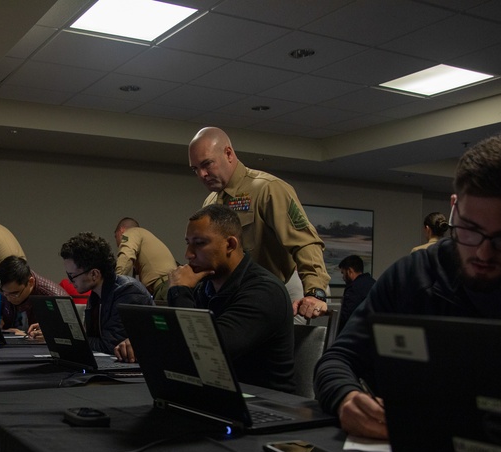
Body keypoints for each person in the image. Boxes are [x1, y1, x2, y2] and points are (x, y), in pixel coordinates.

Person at [315, 131, 501, 440]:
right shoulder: (413, 276)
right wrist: (347, 398)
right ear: (454, 207)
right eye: (470, 229)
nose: (482, 253)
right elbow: (337, 359)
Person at [115, 204, 294, 392]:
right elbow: (179, 341)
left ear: (230, 245)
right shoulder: (205, 287)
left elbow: (207, 351)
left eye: (199, 243)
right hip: (214, 393)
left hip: (262, 401)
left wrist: (180, 290)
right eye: (188, 243)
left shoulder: (264, 291)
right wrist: (147, 343)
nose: (188, 254)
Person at [188, 126, 331, 320]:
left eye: (207, 164)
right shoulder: (210, 202)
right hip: (239, 297)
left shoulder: (267, 189)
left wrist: (315, 292)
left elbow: (305, 242)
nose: (202, 175)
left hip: (280, 290)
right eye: (196, 169)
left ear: (228, 154)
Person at [28, 231, 152, 354]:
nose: (70, 282)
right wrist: (55, 330)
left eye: (72, 276)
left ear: (94, 274)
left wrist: (62, 337)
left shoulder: (128, 292)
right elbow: (90, 337)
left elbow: (109, 346)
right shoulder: (97, 294)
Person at [0, 255, 67, 332]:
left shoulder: (54, 298)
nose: (8, 299)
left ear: (30, 282)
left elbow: (67, 334)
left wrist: (27, 337)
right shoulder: (5, 290)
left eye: (14, 294)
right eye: (4, 293)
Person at [113, 217, 177, 302]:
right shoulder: (145, 236)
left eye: (115, 236)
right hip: (166, 286)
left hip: (164, 288)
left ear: (122, 230)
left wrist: (113, 285)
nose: (117, 242)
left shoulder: (130, 232)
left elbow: (126, 257)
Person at [335, 255, 375, 330]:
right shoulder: (373, 283)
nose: (343, 277)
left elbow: (346, 317)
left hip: (355, 332)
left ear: (349, 271)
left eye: (343, 273)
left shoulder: (354, 288)